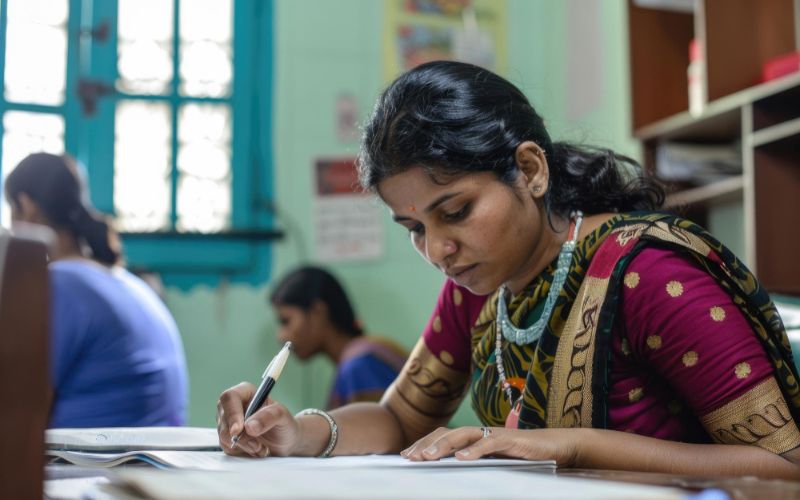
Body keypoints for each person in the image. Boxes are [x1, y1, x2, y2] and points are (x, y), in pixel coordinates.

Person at [216, 61, 800, 478]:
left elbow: (785, 469)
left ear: (530, 169)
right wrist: (299, 434)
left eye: (457, 212)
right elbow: (398, 418)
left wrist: (567, 448)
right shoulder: (479, 285)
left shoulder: (649, 276)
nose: (439, 250)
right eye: (415, 229)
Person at [5, 152, 188, 427]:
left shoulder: (58, 285)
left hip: (106, 467)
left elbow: (15, 410)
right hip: (158, 464)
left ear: (26, 205)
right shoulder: (128, 282)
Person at [270, 266, 407, 409]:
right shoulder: (362, 357)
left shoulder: (360, 367)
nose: (281, 336)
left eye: (286, 321)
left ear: (318, 312)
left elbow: (382, 430)